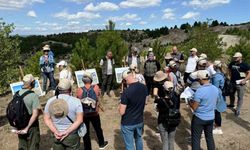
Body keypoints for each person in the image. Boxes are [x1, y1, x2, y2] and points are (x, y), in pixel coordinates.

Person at [44, 79, 83, 150]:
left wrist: (56, 132)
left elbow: (47, 119)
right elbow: (79, 120)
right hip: (72, 134)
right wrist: (66, 132)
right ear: (70, 89)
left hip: (56, 135)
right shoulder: (76, 101)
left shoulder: (50, 101)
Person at [76, 72, 108, 150]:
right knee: (98, 129)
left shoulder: (79, 90)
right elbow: (98, 98)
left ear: (83, 81)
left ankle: (87, 148)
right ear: (91, 80)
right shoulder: (96, 87)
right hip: (95, 113)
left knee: (85, 132)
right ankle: (101, 143)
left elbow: (78, 101)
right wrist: (100, 107)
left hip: (84, 114)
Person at [189, 70, 219, 150]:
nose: (198, 81)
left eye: (198, 79)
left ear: (201, 79)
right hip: (211, 117)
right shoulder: (215, 89)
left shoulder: (200, 91)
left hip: (199, 118)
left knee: (196, 139)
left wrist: (189, 102)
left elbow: (194, 107)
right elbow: (216, 102)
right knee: (209, 137)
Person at [118, 70, 148, 150]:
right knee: (138, 139)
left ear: (125, 80)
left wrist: (119, 105)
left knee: (129, 145)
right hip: (139, 120)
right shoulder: (144, 87)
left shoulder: (126, 92)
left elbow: (121, 112)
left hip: (128, 123)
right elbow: (145, 102)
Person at [16, 74, 41, 150]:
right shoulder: (33, 96)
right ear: (32, 83)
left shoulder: (17, 94)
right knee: (33, 145)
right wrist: (27, 127)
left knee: (22, 145)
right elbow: (35, 114)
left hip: (20, 124)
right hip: (32, 126)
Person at [154, 81, 180, 150]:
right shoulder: (176, 98)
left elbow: (157, 109)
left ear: (164, 89)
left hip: (163, 121)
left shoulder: (160, 101)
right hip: (174, 120)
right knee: (171, 141)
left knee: (165, 142)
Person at [228, 52, 250, 116]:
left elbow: (249, 73)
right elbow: (229, 69)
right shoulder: (232, 63)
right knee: (231, 94)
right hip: (232, 82)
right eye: (234, 57)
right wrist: (229, 76)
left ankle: (238, 109)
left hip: (241, 83)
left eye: (236, 57)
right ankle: (232, 104)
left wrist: (245, 80)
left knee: (240, 96)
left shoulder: (245, 65)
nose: (234, 58)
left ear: (240, 57)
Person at [211, 60, 225, 134]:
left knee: (216, 111)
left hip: (216, 94)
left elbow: (215, 87)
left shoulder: (216, 76)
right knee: (216, 110)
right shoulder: (221, 74)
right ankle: (217, 126)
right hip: (219, 93)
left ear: (215, 66)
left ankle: (218, 128)